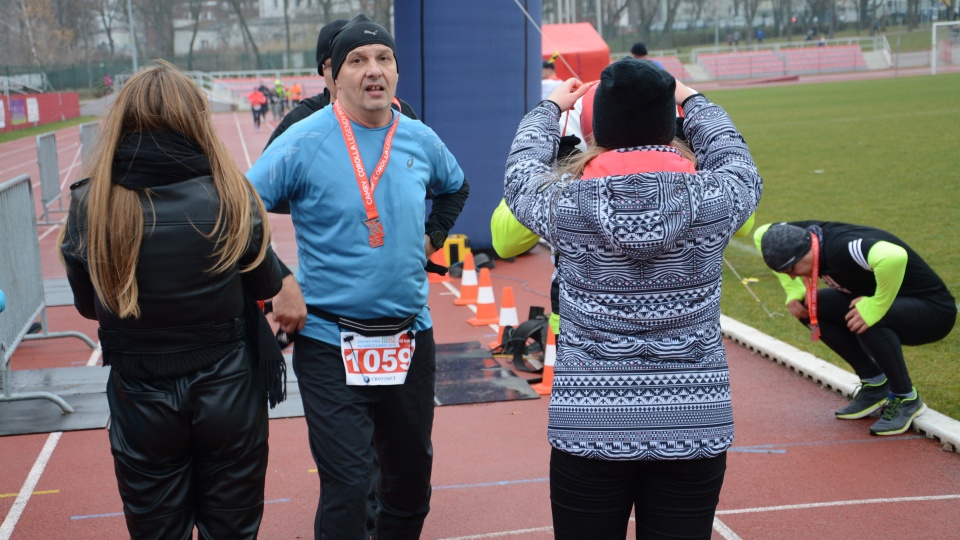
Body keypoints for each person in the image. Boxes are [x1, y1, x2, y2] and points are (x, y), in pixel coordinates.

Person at [504, 59, 761, 539]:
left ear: (600, 126)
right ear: (670, 123)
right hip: (692, 420)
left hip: (590, 423)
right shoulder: (715, 198)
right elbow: (736, 158)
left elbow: (520, 176)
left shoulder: (568, 204)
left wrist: (548, 109)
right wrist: (695, 101)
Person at [246, 14, 469, 540]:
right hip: (329, 339)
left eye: (384, 58)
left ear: (395, 71)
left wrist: (431, 237)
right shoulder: (303, 140)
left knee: (410, 483)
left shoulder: (418, 137)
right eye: (359, 60)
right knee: (348, 486)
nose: (374, 70)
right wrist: (279, 279)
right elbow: (239, 210)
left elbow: (456, 187)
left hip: (410, 338)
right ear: (333, 77)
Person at [58, 60, 285, 539]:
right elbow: (266, 286)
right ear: (194, 119)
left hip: (141, 397)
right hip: (228, 390)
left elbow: (86, 306)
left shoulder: (91, 203)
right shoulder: (230, 193)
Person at [754, 221, 956, 435]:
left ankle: (905, 397)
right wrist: (793, 291)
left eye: (791, 270)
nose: (793, 276)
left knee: (866, 314)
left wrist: (876, 305)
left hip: (932, 312)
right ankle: (875, 383)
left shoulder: (842, 248)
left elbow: (893, 255)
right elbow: (760, 233)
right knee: (810, 307)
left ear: (805, 252)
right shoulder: (799, 236)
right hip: (891, 303)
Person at [265, 18, 419, 149]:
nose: (337, 73)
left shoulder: (401, 111)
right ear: (322, 70)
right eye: (332, 65)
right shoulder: (300, 119)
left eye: (354, 62)